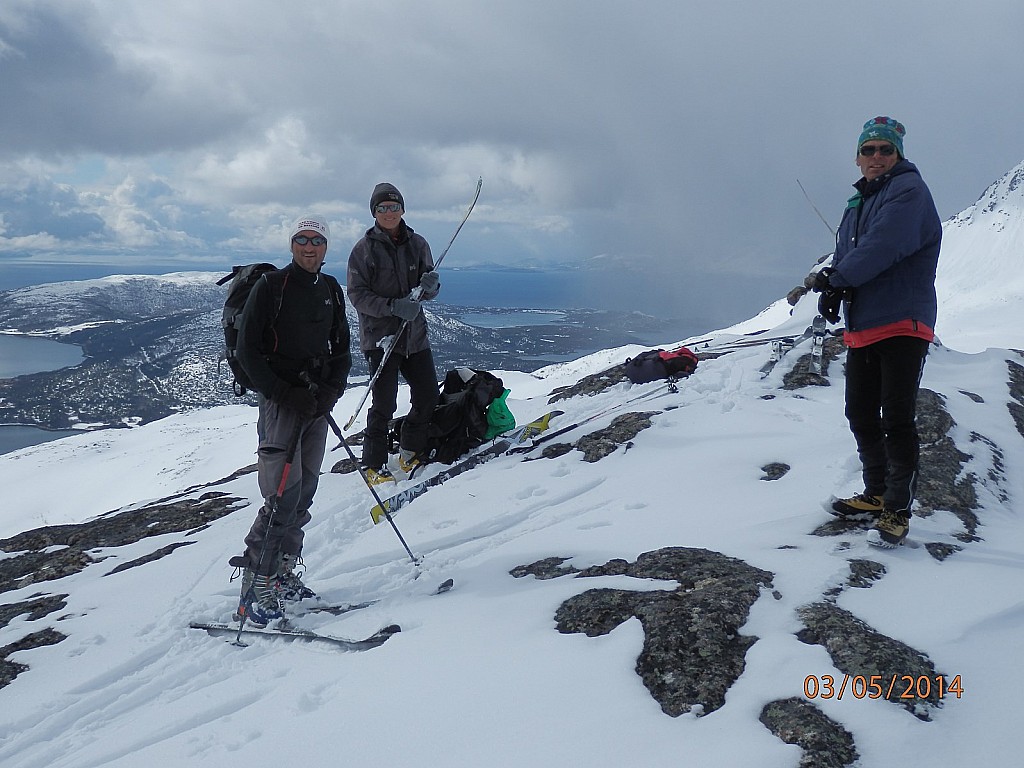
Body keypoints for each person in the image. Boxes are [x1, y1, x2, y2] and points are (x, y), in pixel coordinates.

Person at [808, 116, 941, 547]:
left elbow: (885, 245)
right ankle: (877, 493)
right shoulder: (859, 201)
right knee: (861, 412)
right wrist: (836, 284)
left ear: (898, 154)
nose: (877, 157)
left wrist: (840, 279)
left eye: (886, 150)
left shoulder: (908, 191)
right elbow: (856, 251)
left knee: (896, 417)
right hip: (865, 324)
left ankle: (897, 510)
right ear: (858, 157)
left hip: (903, 321)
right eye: (869, 150)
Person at [229, 215, 352, 626]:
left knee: (305, 490)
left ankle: (281, 572)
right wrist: (284, 393)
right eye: (302, 239)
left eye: (316, 240)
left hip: (316, 401)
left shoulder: (330, 289)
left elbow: (342, 347)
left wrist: (332, 389)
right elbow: (248, 352)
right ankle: (256, 583)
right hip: (283, 403)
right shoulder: (271, 287)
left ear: (326, 247)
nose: (309, 246)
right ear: (292, 245)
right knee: (282, 493)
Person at [347, 183, 441, 484]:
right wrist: (392, 307)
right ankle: (373, 464)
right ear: (374, 212)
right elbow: (357, 295)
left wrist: (430, 288)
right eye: (382, 208)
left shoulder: (419, 244)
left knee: (427, 394)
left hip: (415, 337)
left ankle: (410, 448)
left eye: (394, 206)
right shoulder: (363, 250)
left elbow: (429, 288)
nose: (389, 212)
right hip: (381, 339)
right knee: (384, 404)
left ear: (402, 209)